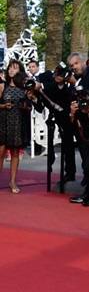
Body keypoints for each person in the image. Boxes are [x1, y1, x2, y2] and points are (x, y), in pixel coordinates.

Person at [0, 61, 29, 193]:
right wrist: (3, 106)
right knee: (1, 152)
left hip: (18, 123)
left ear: (20, 71)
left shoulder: (24, 88)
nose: (11, 70)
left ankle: (12, 181)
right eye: (10, 67)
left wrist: (25, 107)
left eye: (15, 68)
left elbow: (29, 106)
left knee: (15, 153)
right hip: (3, 122)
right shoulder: (2, 86)